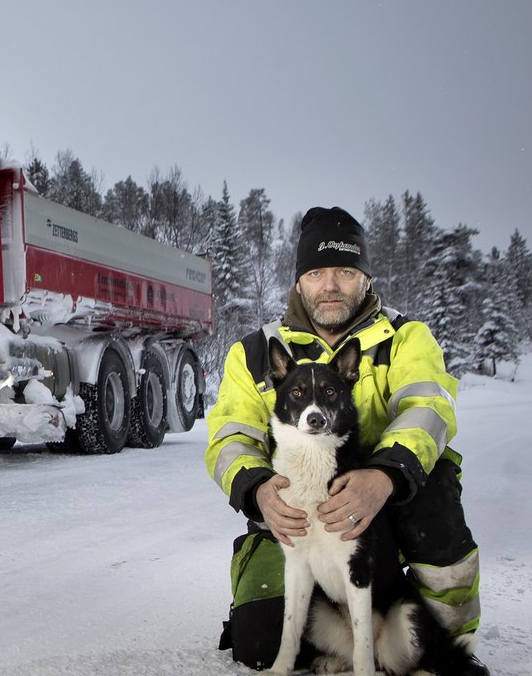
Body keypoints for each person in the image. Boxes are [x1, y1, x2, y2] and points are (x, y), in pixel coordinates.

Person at [205, 206, 487, 675]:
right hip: (297, 521)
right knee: (257, 641)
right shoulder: (256, 352)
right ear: (299, 282)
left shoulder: (404, 338)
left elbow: (427, 410)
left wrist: (384, 477)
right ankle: (333, 645)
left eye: (344, 271)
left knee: (432, 484)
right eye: (316, 272)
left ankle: (445, 639)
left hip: (387, 516)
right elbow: (229, 436)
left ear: (365, 277)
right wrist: (256, 490)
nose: (330, 285)